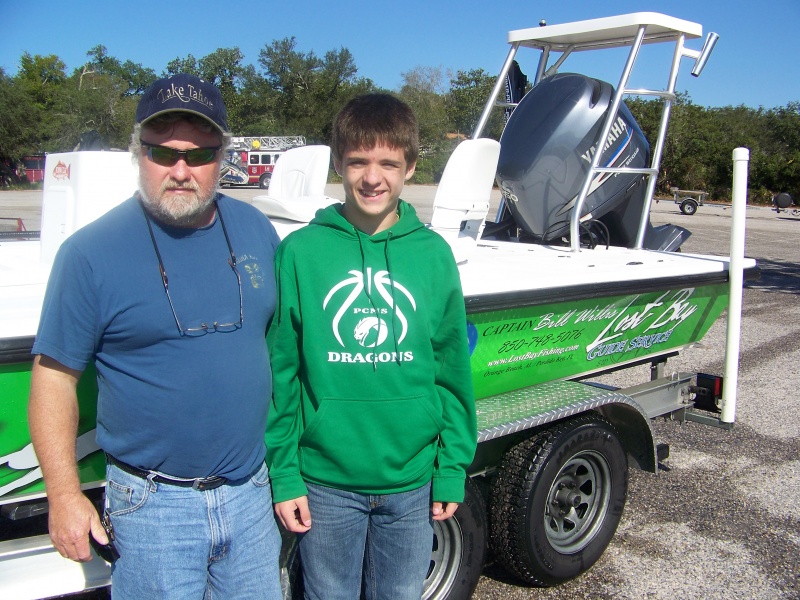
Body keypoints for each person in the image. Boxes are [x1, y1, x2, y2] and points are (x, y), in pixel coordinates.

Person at [28, 74, 283, 599]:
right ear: (138, 154)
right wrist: (64, 495)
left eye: (200, 154)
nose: (181, 171)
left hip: (252, 496)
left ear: (222, 158)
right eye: (163, 153)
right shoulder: (89, 254)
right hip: (153, 509)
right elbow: (53, 380)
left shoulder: (258, 230)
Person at [266, 93, 477, 599]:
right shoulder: (300, 253)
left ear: (410, 167)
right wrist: (285, 474)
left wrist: (451, 469)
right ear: (339, 163)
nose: (372, 178)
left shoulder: (433, 255)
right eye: (358, 161)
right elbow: (281, 374)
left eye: (389, 163)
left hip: (412, 482)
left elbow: (451, 371)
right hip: (325, 482)